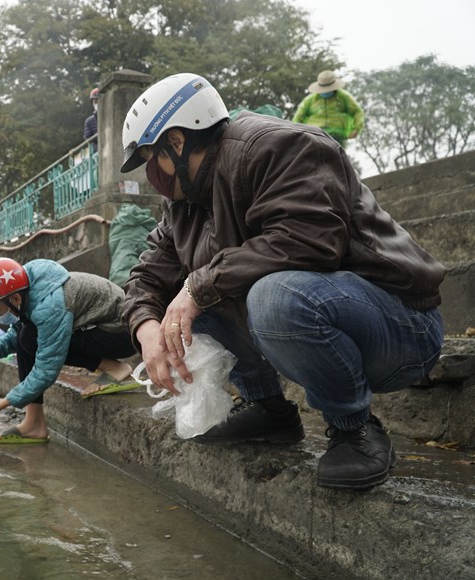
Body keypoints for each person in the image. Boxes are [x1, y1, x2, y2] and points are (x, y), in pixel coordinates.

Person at [119, 72, 444, 490]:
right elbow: (147, 274)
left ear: (177, 143)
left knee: (266, 295)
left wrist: (196, 288)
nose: (153, 174)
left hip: (399, 327)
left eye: (152, 157)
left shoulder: (279, 147)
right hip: (319, 321)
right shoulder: (182, 204)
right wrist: (146, 328)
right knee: (181, 310)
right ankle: (267, 408)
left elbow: (310, 240)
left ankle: (353, 426)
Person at [0, 257, 139, 444]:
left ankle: (115, 368)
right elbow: (17, 334)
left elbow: (46, 370)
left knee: (32, 338)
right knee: (26, 334)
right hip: (99, 329)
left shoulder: (51, 306)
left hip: (121, 334)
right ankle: (34, 423)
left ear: (14, 298)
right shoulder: (26, 290)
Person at [292, 70, 364, 148]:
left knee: (336, 158)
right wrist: (297, 133)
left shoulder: (344, 97)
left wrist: (356, 129)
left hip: (337, 136)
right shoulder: (310, 100)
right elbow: (298, 117)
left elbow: (357, 112)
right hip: (315, 135)